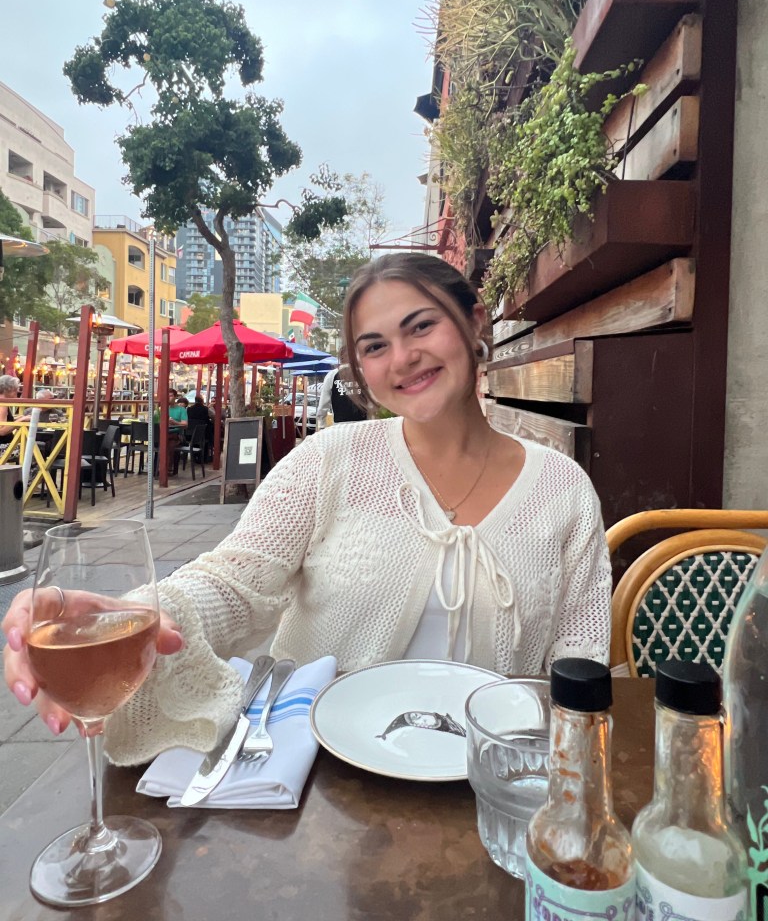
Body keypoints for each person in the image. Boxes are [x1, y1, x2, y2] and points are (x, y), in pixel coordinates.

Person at [2, 253, 612, 765]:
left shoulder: (563, 489)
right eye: (375, 346)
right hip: (317, 780)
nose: (402, 358)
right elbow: (232, 585)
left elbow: (577, 666)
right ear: (363, 370)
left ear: (474, 320)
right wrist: (130, 615)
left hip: (493, 782)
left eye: (422, 326)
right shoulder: (328, 462)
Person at [317, 351, 368, 427]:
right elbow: (372, 399)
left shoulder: (332, 375)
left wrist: (322, 423)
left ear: (340, 358)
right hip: (362, 424)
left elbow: (323, 403)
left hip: (340, 424)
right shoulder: (363, 373)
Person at [0, 375, 29, 439]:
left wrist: (17, 419)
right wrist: (21, 420)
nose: (18, 391)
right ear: (8, 389)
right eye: (15, 389)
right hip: (4, 445)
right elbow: (1, 430)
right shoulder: (2, 405)